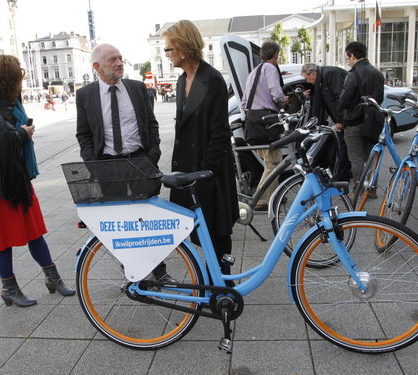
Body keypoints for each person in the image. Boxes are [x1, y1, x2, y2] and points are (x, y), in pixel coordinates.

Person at [0, 55, 75, 308]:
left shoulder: (14, 103)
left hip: (18, 177)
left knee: (34, 231)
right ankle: (9, 289)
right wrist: (20, 134)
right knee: (3, 240)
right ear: (6, 79)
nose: (20, 83)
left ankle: (53, 278)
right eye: (17, 78)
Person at [75, 43, 168, 280]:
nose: (119, 64)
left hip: (140, 162)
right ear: (96, 66)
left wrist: (152, 156)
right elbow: (83, 134)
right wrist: (92, 164)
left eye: (120, 58)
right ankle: (132, 270)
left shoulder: (137, 89)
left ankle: (160, 272)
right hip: (107, 167)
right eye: (112, 60)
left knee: (149, 220)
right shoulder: (85, 95)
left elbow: (152, 124)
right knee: (119, 224)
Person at [163, 20, 239, 279]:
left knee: (217, 231)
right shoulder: (182, 80)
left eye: (169, 49)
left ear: (183, 49)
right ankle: (209, 280)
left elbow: (220, 134)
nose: (167, 54)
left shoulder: (213, 80)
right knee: (196, 229)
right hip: (188, 167)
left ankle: (221, 286)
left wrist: (206, 172)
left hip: (210, 171)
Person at [241, 40, 288, 211]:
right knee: (273, 163)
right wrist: (284, 101)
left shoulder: (253, 72)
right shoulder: (270, 68)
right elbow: (276, 94)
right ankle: (259, 200)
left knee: (272, 161)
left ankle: (274, 197)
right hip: (267, 122)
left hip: (254, 121)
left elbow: (244, 102)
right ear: (275, 54)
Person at [337, 41, 384, 196]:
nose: (348, 61)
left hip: (354, 120)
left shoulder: (353, 74)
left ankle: (358, 190)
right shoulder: (377, 73)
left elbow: (344, 100)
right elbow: (380, 98)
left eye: (348, 58)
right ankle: (371, 189)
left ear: (352, 55)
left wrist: (340, 115)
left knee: (356, 157)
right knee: (371, 155)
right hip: (373, 120)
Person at [301, 63, 351, 181]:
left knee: (342, 148)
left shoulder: (330, 74)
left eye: (307, 78)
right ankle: (342, 174)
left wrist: (341, 121)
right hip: (342, 119)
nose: (308, 81)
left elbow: (341, 99)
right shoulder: (323, 78)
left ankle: (341, 177)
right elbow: (324, 100)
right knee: (341, 148)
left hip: (347, 120)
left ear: (313, 73)